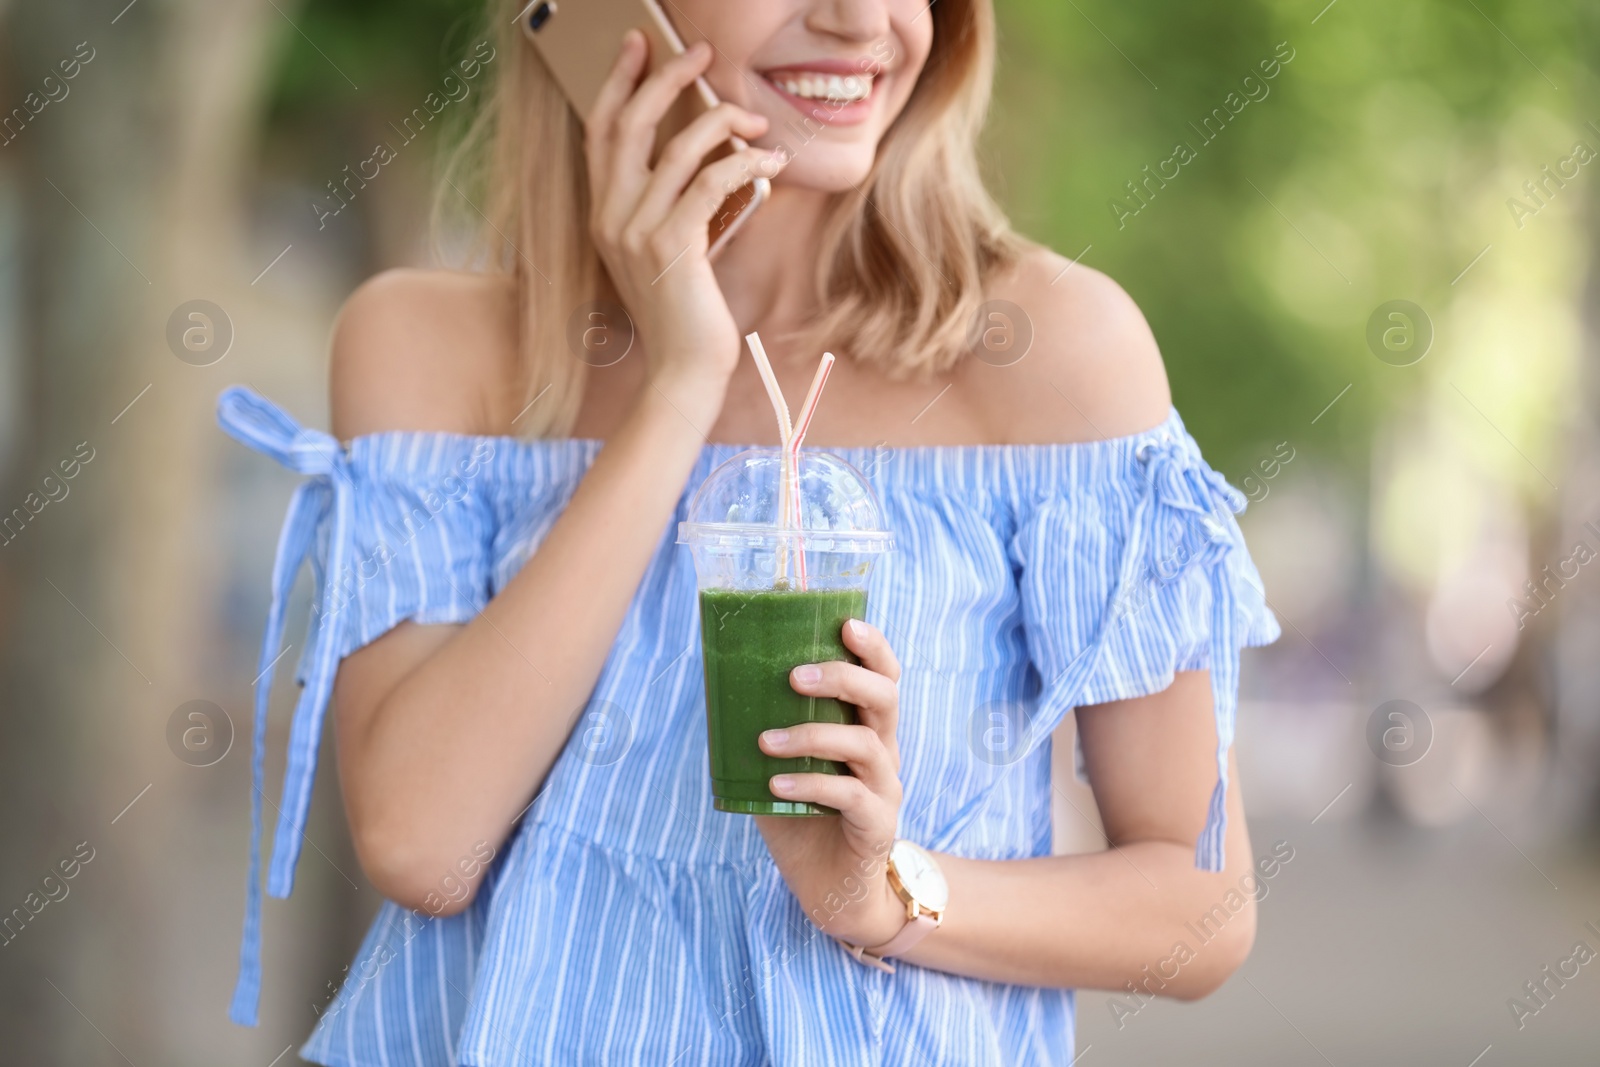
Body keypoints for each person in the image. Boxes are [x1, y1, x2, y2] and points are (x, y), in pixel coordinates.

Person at [217, 1, 1280, 1062]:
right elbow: (423, 845)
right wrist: (683, 382)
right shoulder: (431, 347)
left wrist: (886, 892)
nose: (860, 19)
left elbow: (1199, 907)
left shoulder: (1049, 357)